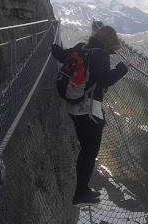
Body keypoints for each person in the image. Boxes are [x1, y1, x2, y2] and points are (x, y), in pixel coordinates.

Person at [51, 25, 129, 206]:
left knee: (85, 149)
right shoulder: (101, 56)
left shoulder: (81, 47)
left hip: (74, 107)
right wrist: (123, 68)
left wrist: (52, 47)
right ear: (109, 43)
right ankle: (80, 194)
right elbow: (106, 79)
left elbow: (61, 55)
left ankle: (83, 189)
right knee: (89, 152)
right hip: (89, 110)